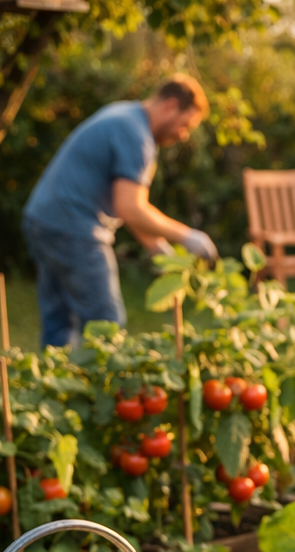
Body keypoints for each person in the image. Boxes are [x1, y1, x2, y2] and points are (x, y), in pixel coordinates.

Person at [22, 75, 219, 348]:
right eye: (185, 124)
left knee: (60, 324)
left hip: (43, 221)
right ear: (171, 106)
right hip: (74, 230)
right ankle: (98, 388)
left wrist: (156, 247)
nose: (183, 134)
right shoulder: (136, 136)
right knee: (106, 324)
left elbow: (122, 204)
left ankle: (53, 386)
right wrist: (188, 236)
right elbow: (131, 207)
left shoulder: (123, 115)